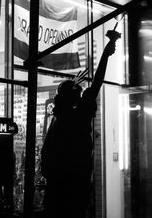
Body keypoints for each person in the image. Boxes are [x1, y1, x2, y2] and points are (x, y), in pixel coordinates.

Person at [41, 29, 121, 218]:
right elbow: (97, 83)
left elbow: (46, 156)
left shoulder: (57, 120)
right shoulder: (77, 117)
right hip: (73, 185)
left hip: (58, 187)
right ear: (73, 97)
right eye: (78, 91)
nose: (82, 92)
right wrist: (106, 53)